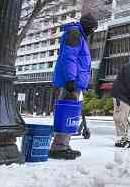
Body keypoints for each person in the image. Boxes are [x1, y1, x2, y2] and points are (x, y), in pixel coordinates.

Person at [49, 13, 98, 160]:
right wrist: (70, 79)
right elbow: (69, 57)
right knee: (67, 114)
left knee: (70, 115)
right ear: (87, 26)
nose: (93, 32)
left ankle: (64, 145)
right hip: (71, 82)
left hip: (75, 82)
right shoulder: (75, 33)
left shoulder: (79, 35)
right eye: (92, 28)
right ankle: (59, 147)